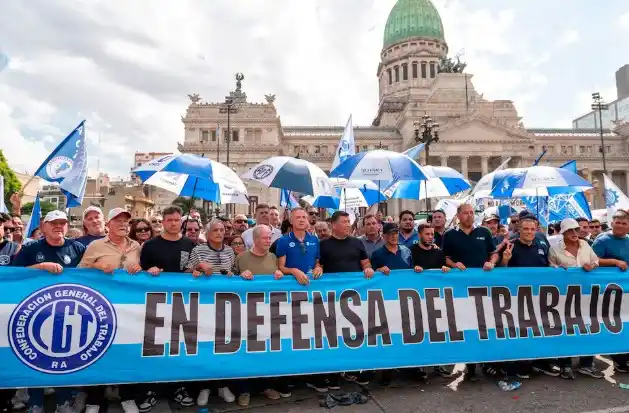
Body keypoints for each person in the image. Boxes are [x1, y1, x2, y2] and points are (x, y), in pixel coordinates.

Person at [12, 210, 85, 413]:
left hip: (68, 314)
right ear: (43, 226)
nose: (58, 226)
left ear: (67, 226)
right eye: (53, 223)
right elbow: (15, 275)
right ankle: (36, 402)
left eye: (62, 223)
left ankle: (63, 401)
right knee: (35, 357)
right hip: (36, 312)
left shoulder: (77, 247)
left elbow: (91, 273)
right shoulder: (30, 248)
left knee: (63, 359)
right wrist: (40, 266)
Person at [77, 208, 142, 413]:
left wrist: (141, 270)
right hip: (101, 310)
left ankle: (127, 397)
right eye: (118, 221)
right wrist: (96, 265)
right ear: (109, 225)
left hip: (130, 309)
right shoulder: (96, 245)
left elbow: (145, 272)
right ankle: (94, 400)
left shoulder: (137, 246)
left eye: (126, 221)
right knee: (99, 352)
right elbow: (78, 274)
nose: (123, 224)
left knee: (127, 352)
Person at [139, 205, 196, 408]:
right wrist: (149, 271)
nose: (173, 223)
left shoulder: (190, 244)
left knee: (179, 347)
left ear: (182, 221)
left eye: (176, 219)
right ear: (163, 222)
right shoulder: (150, 245)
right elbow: (140, 271)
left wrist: (195, 271)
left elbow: (193, 269)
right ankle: (150, 389)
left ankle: (178, 388)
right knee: (154, 347)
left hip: (183, 303)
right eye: (169, 220)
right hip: (156, 304)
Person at [441, 203, 498, 382]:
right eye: (465, 213)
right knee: (467, 326)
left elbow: (494, 253)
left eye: (472, 213)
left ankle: (487, 363)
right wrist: (453, 264)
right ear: (458, 216)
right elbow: (445, 257)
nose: (469, 216)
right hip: (461, 289)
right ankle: (470, 367)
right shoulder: (450, 235)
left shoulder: (484, 232)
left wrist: (492, 263)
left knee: (485, 324)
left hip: (483, 287)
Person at [317, 211, 374, 388]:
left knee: (354, 333)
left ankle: (352, 370)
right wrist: (318, 268)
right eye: (344, 221)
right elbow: (318, 263)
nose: (348, 224)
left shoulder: (357, 242)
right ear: (334, 225)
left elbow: (366, 263)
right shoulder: (323, 244)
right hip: (331, 298)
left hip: (354, 296)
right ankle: (333, 373)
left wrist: (368, 269)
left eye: (349, 221)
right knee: (333, 334)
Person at [233, 225, 284, 406]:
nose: (269, 241)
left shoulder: (273, 257)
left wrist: (279, 273)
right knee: (245, 352)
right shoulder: (241, 257)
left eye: (270, 238)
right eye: (265, 238)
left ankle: (265, 386)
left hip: (268, 313)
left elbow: (278, 276)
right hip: (245, 313)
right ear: (255, 239)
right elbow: (228, 279)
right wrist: (240, 276)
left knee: (266, 351)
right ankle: (244, 391)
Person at [501, 215, 557, 379]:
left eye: (532, 229)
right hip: (516, 298)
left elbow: (547, 264)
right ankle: (521, 365)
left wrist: (553, 266)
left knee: (541, 330)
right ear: (519, 230)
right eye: (525, 229)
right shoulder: (511, 246)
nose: (529, 232)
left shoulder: (541, 244)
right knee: (521, 332)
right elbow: (500, 272)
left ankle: (540, 362)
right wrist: (505, 261)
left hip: (539, 297)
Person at [548, 218, 603, 379]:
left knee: (588, 327)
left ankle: (586, 364)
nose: (574, 233)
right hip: (564, 296)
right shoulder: (555, 249)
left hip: (586, 295)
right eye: (570, 231)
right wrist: (558, 270)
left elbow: (596, 261)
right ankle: (565, 365)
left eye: (576, 230)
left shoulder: (586, 245)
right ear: (563, 233)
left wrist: (591, 266)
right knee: (565, 329)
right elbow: (549, 270)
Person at [592, 209, 629, 373]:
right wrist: (614, 262)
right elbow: (592, 260)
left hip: (626, 291)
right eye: (618, 222)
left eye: (624, 223)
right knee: (616, 325)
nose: (620, 226)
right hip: (610, 293)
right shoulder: (602, 240)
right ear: (612, 223)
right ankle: (619, 361)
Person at [276, 208, 321, 285]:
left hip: (311, 284)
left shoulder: (314, 240)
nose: (301, 220)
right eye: (298, 217)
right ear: (291, 221)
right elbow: (281, 267)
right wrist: (294, 271)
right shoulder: (283, 241)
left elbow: (317, 262)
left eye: (304, 217)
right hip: (291, 284)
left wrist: (318, 268)